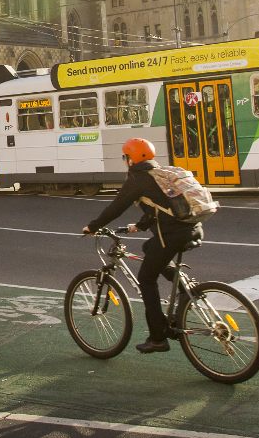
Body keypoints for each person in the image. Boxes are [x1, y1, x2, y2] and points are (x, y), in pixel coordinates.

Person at [82, 138, 202, 355]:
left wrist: (92, 226)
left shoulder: (138, 178)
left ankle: (158, 338)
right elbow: (162, 206)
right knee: (149, 249)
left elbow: (116, 207)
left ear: (130, 158)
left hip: (172, 234)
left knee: (146, 279)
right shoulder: (158, 173)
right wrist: (139, 226)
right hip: (192, 227)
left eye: (125, 157)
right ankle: (184, 288)